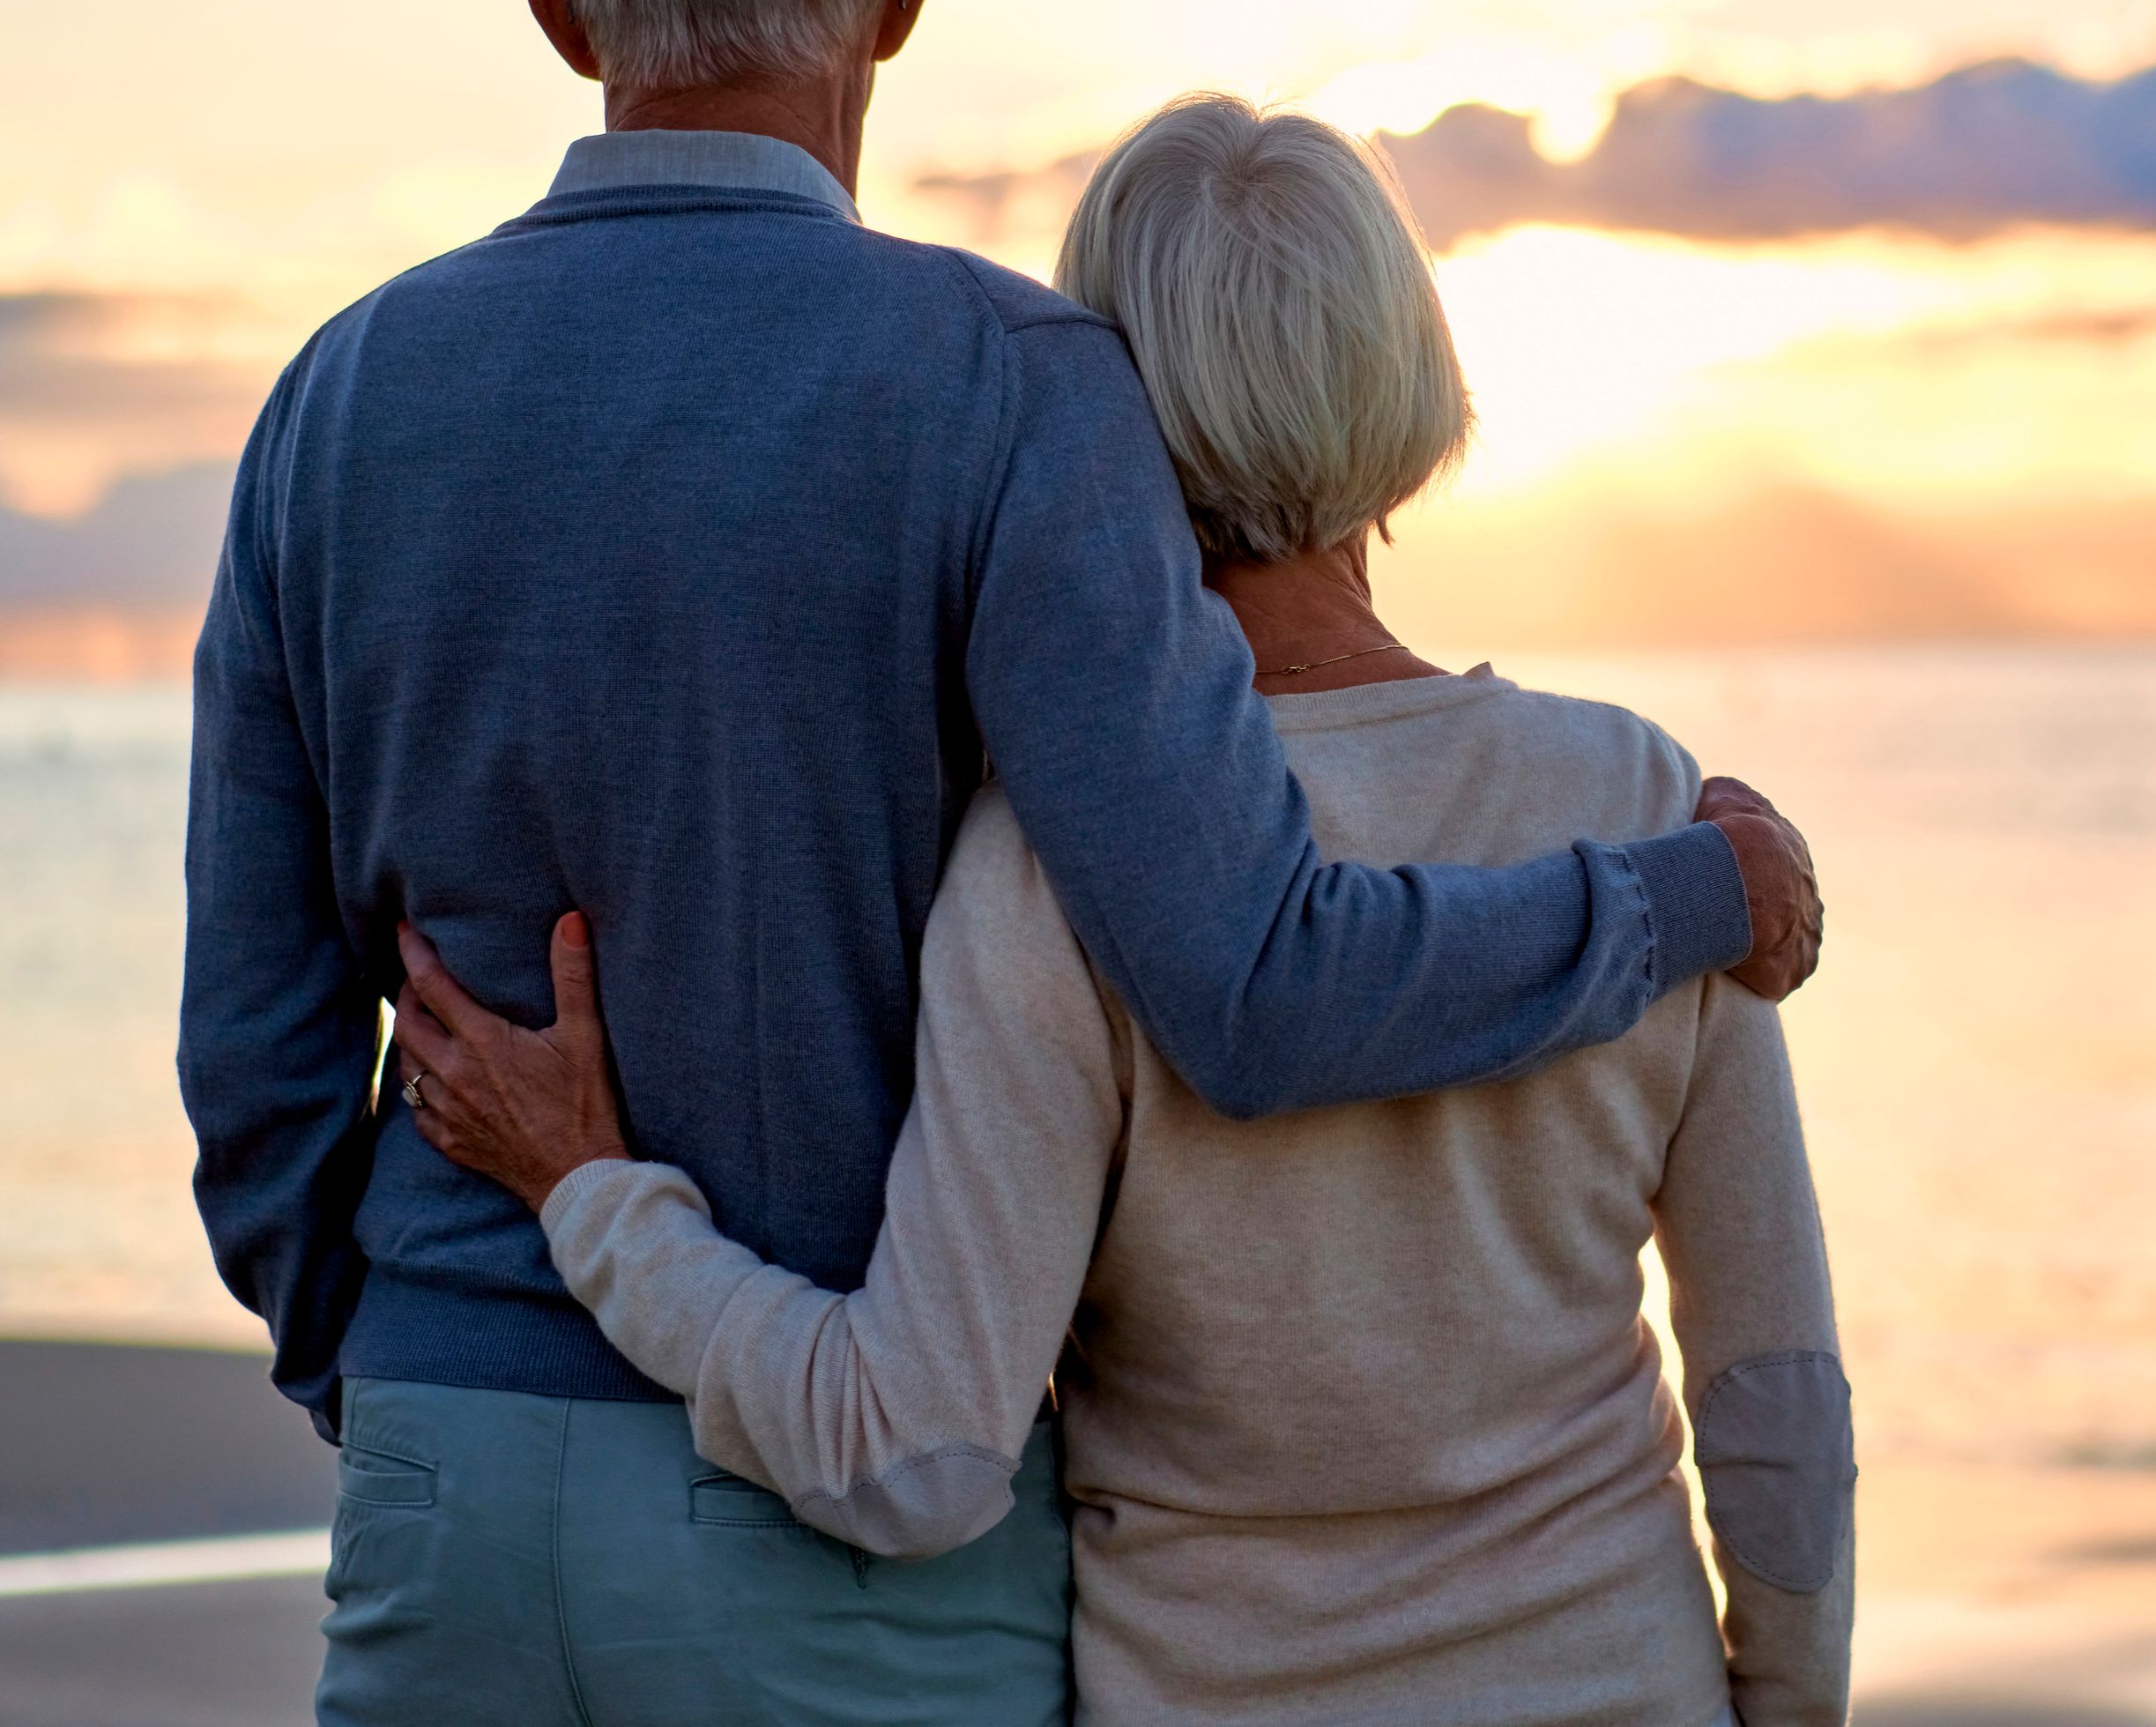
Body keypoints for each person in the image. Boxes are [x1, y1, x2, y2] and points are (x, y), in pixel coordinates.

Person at [180, 0, 1819, 1727]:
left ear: (555, 4)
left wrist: (392, 1376)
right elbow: (1247, 979)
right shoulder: (1008, 384)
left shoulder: (332, 400)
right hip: (841, 1544)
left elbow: (254, 1052)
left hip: (450, 1481)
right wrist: (1675, 896)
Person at [399, 98, 1853, 1726]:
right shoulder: (1651, 808)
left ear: (1101, 413)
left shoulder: (1051, 865)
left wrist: (594, 1199)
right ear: (1408, 366)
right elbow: (1774, 1400)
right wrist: (1787, 1700)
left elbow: (912, 1450)